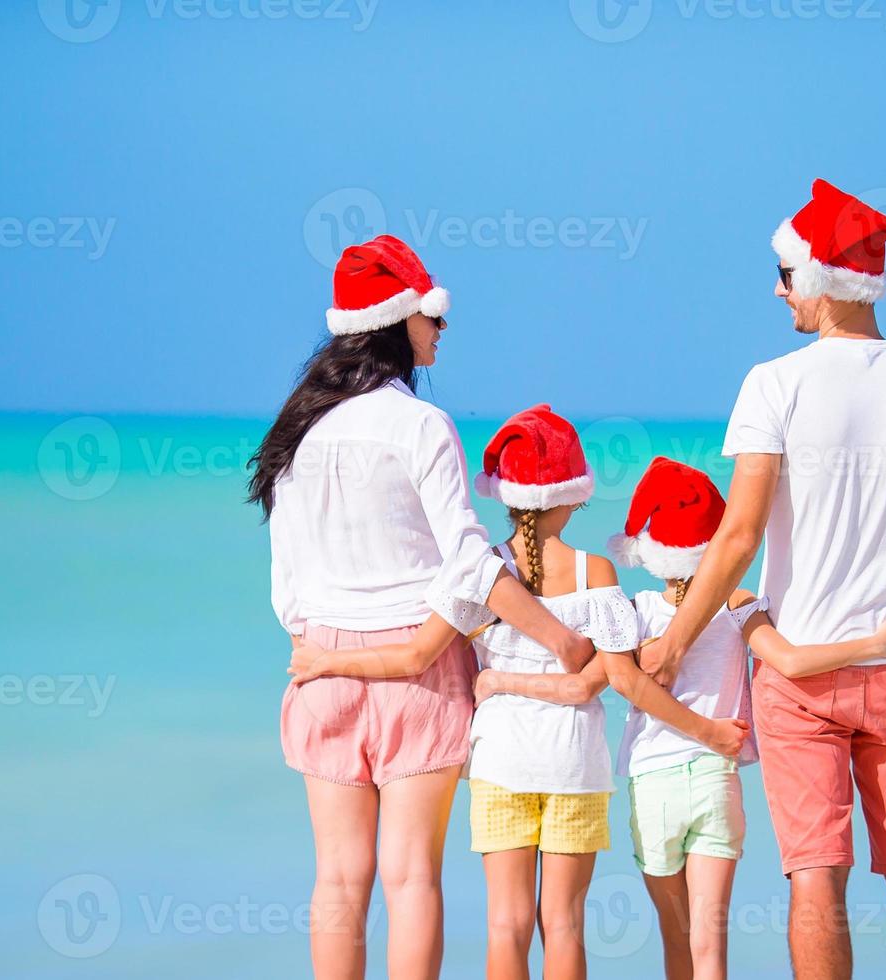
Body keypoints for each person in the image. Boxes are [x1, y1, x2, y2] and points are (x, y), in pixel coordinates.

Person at [641, 180, 886, 980]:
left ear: (819, 280)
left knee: (815, 874)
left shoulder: (774, 383)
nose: (777, 289)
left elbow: (740, 534)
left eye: (785, 275)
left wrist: (673, 644)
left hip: (800, 670)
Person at [247, 235, 595, 980]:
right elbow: (468, 562)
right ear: (397, 320)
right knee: (411, 879)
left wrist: (321, 643)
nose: (441, 331)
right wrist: (560, 638)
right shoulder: (419, 425)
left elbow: (287, 582)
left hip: (322, 664)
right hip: (419, 666)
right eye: (433, 318)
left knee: (338, 880)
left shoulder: (298, 431)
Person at [293, 403, 632, 980]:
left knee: (506, 922)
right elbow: (603, 678)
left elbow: (415, 656)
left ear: (504, 497)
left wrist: (330, 659)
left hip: (501, 763)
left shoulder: (476, 572)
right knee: (566, 922)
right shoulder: (595, 573)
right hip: (575, 763)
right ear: (574, 497)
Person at [606, 455, 886, 980]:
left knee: (676, 940)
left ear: (649, 549)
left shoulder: (634, 608)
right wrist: (878, 644)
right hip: (717, 780)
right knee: (711, 948)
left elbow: (618, 677)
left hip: (653, 781)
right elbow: (793, 661)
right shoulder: (737, 602)